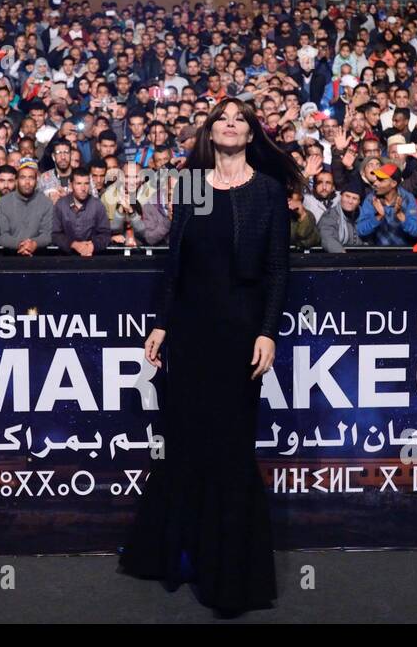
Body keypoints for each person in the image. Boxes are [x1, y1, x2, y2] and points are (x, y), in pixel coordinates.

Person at [120, 96, 301, 618]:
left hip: (241, 333)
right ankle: (183, 556)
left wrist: (268, 332)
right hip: (192, 333)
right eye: (221, 118)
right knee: (186, 441)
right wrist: (160, 323)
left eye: (239, 119)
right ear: (209, 132)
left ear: (249, 134)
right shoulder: (193, 187)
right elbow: (175, 264)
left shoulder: (267, 191)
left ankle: (231, 574)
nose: (229, 123)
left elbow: (277, 271)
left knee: (229, 444)